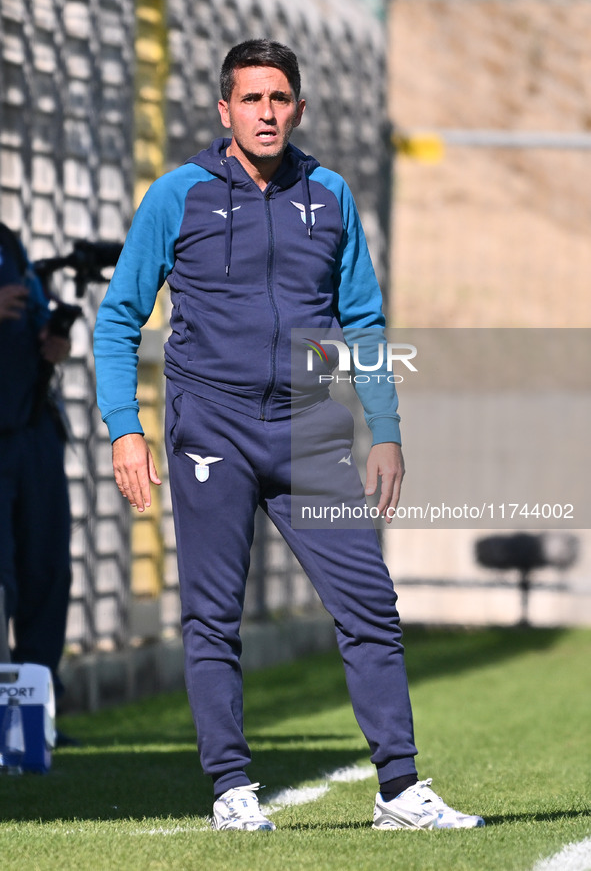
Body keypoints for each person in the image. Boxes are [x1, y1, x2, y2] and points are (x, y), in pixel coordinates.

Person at [93, 40, 484, 831]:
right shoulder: (178, 195)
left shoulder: (330, 193)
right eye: (251, 99)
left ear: (298, 109)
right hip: (212, 430)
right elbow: (117, 319)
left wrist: (384, 429)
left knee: (370, 606)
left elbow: (363, 323)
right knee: (212, 615)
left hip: (309, 433)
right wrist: (123, 430)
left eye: (279, 99)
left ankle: (399, 791)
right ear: (224, 110)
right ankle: (232, 790)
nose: (266, 113)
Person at [0, 222, 74, 737]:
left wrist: (54, 340)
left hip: (34, 429)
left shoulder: (7, 240)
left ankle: (28, 727)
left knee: (46, 574)